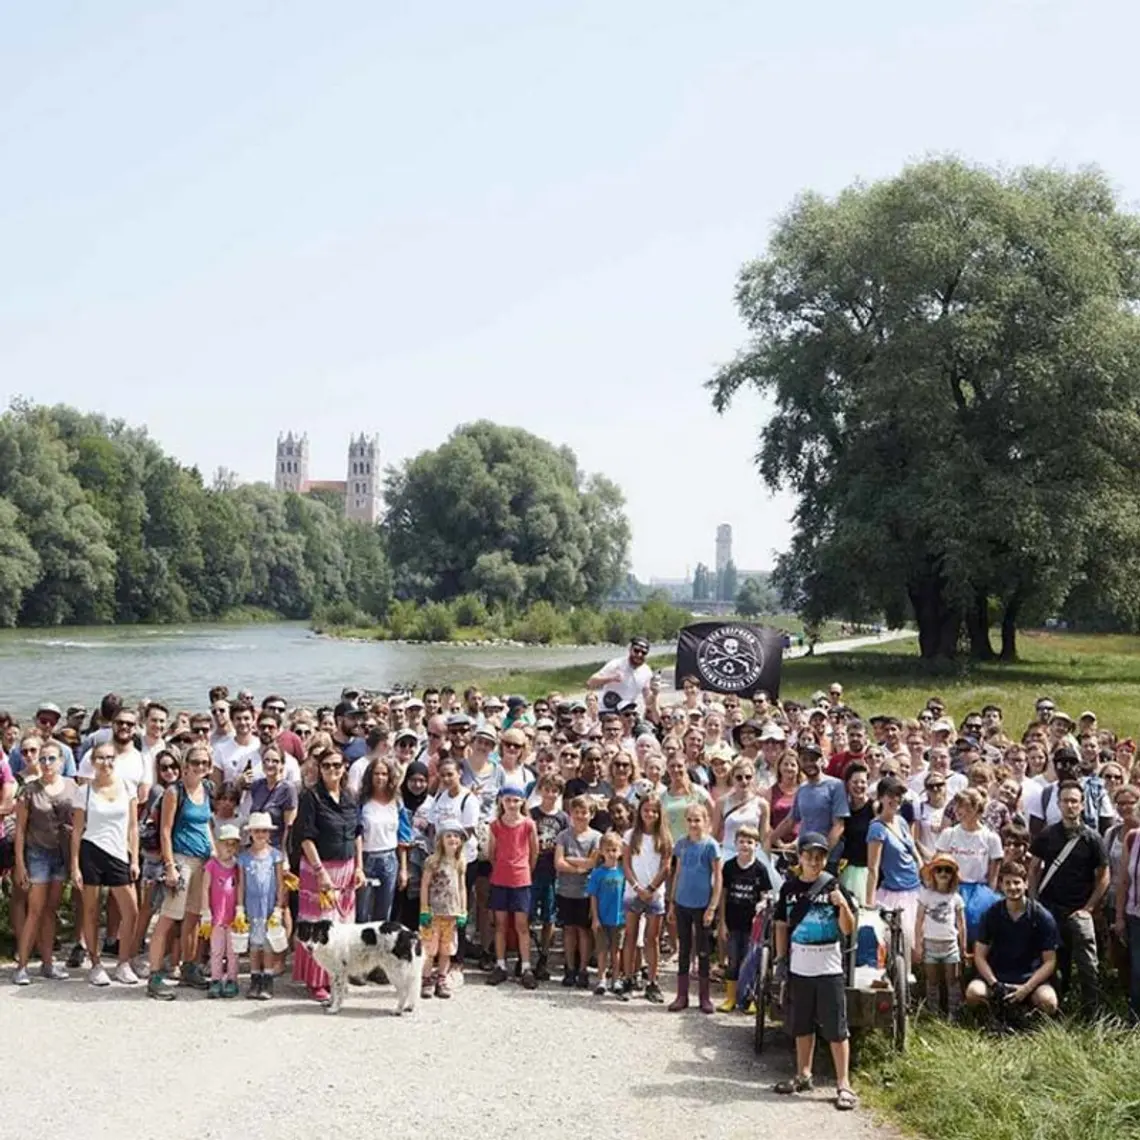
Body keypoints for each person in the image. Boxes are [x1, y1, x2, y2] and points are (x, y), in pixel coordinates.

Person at [773, 831, 858, 1111]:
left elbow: (848, 929)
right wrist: (781, 960)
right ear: (800, 857)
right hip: (800, 966)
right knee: (802, 1024)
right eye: (809, 855)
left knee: (836, 1027)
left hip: (829, 966)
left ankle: (843, 1084)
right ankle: (803, 1074)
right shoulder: (788, 889)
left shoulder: (834, 885)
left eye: (819, 856)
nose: (814, 860)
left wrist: (842, 904)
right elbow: (782, 926)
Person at [1029, 779, 1109, 1015]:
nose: (1070, 805)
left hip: (1080, 910)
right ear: (1058, 804)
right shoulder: (1047, 835)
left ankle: (1091, 1014)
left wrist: (1090, 907)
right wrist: (1034, 902)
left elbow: (1103, 876)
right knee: (1054, 963)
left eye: (1074, 801)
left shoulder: (1092, 838)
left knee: (1088, 966)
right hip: (1051, 909)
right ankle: (1055, 1011)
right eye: (1065, 801)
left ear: (1082, 805)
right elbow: (1033, 868)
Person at [293, 746, 364, 1003]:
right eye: (327, 766)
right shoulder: (311, 797)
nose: (333, 770)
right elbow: (305, 838)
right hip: (318, 868)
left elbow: (357, 833)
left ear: (344, 766)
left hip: (346, 868)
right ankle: (316, 980)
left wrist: (359, 866)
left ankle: (338, 975)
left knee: (342, 927)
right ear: (319, 769)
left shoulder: (349, 796)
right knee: (320, 924)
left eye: (337, 765)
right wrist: (320, 871)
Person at [146, 741, 215, 998]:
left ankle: (189, 966)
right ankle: (154, 976)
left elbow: (206, 823)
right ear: (185, 765)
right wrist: (170, 866)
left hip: (202, 861)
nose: (200, 767)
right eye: (195, 762)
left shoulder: (207, 789)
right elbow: (165, 830)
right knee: (168, 919)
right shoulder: (175, 792)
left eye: (204, 763)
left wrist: (214, 851)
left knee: (194, 916)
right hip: (181, 860)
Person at [70, 742, 140, 987]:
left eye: (110, 758)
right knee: (90, 911)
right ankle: (96, 963)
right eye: (100, 758)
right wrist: (75, 865)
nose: (106, 763)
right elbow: (77, 830)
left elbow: (133, 827)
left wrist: (135, 858)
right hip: (92, 852)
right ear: (92, 761)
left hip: (120, 854)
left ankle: (123, 963)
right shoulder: (84, 791)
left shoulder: (127, 787)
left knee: (131, 911)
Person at [11, 740, 76, 985]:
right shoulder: (29, 790)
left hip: (61, 854)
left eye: (51, 758)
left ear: (61, 761)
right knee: (35, 911)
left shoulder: (71, 786)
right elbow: (19, 830)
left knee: (51, 910)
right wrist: (19, 863)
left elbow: (78, 822)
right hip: (37, 854)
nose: (47, 764)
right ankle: (22, 966)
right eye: (43, 759)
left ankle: (48, 964)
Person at [966, 861, 1059, 1019]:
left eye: (1017, 882)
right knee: (974, 993)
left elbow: (1050, 961)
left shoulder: (1042, 916)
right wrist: (995, 984)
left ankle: (1028, 1021)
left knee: (1048, 1002)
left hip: (1030, 979)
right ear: (1001, 886)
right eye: (1007, 883)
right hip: (997, 977)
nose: (1012, 887)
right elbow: (979, 956)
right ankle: (990, 1017)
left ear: (1026, 884)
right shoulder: (991, 914)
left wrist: (1026, 988)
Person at [668, 802, 722, 1014]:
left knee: (703, 950)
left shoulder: (711, 845)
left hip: (702, 904)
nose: (693, 824)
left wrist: (713, 906)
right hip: (682, 903)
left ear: (706, 821)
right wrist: (672, 903)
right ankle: (681, 995)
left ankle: (704, 997)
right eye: (690, 820)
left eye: (697, 820)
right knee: (684, 949)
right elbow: (678, 873)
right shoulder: (681, 844)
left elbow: (717, 877)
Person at [717, 824, 774, 1012]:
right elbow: (723, 895)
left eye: (749, 842)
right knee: (733, 960)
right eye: (741, 841)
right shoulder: (729, 866)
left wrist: (762, 905)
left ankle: (749, 998)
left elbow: (766, 895)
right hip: (732, 923)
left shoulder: (760, 869)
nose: (745, 845)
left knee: (750, 961)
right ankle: (731, 997)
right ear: (735, 843)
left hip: (753, 926)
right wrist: (722, 922)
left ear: (756, 845)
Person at [485, 787, 539, 988]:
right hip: (500, 878)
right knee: (500, 924)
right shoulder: (495, 826)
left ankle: (526, 966)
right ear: (501, 802)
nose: (512, 804)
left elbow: (534, 852)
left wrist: (524, 870)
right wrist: (500, 867)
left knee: (521, 925)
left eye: (516, 800)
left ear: (522, 802)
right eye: (508, 800)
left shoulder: (528, 825)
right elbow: (491, 853)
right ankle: (500, 965)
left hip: (521, 879)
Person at [936, 787, 1003, 942]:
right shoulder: (949, 834)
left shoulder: (991, 838)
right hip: (952, 888)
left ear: (975, 808)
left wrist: (988, 895)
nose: (957, 810)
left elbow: (993, 874)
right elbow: (938, 863)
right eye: (956, 806)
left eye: (963, 806)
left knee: (978, 930)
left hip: (979, 892)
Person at [622, 793, 671, 1003]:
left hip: (655, 893)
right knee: (630, 935)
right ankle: (628, 979)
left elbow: (666, 867)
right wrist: (636, 886)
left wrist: (651, 888)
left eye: (654, 811)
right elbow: (625, 864)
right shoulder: (630, 835)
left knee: (652, 938)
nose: (649, 814)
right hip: (633, 892)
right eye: (645, 810)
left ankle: (652, 980)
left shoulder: (665, 837)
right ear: (639, 812)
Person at [865, 776, 922, 956]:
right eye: (891, 794)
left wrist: (922, 868)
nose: (896, 799)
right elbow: (873, 868)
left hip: (915, 889)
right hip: (895, 893)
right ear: (881, 797)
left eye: (899, 795)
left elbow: (913, 849)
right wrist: (869, 901)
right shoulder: (876, 828)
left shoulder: (902, 821)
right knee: (900, 943)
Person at [554, 794, 602, 988]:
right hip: (565, 890)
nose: (580, 816)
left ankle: (583, 969)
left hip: (586, 892)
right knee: (568, 930)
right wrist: (578, 868)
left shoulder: (596, 837)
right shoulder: (564, 835)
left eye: (585, 812)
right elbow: (558, 862)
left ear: (591, 814)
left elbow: (593, 862)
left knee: (584, 931)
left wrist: (569, 859)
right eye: (576, 812)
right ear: (570, 813)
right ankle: (570, 968)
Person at [356, 756, 408, 924]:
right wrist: (359, 867)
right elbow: (356, 834)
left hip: (389, 859)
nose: (380, 778)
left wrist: (403, 869)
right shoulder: (362, 802)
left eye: (384, 774)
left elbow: (403, 837)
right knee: (362, 913)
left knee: (384, 915)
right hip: (366, 858)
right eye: (376, 773)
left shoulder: (397, 802)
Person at [239, 811, 285, 999]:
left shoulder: (275, 855)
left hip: (269, 907)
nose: (260, 834)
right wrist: (239, 908)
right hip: (251, 907)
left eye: (264, 831)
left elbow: (281, 884)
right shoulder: (244, 857)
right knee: (254, 945)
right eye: (257, 831)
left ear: (269, 833)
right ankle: (254, 978)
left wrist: (278, 908)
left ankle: (267, 979)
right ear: (250, 833)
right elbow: (241, 884)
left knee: (268, 944)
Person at [914, 854, 967, 1019]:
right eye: (939, 870)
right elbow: (919, 921)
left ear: (953, 875)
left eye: (948, 870)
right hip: (930, 944)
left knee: (952, 981)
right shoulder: (926, 895)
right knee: (932, 981)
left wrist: (963, 947)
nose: (943, 873)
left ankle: (954, 1013)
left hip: (950, 945)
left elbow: (961, 924)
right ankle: (933, 1013)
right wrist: (918, 944)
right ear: (933, 873)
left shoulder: (956, 898)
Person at [771, 743, 849, 854]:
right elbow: (790, 821)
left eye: (813, 760)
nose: (809, 764)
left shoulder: (836, 785)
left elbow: (839, 826)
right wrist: (767, 842)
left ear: (821, 761)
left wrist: (823, 853)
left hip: (828, 856)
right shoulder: (802, 788)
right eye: (805, 760)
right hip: (805, 853)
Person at [420, 822, 468, 999]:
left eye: (456, 836)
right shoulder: (432, 861)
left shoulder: (460, 862)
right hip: (433, 912)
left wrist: (463, 911)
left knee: (447, 949)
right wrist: (424, 909)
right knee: (429, 948)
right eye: (448, 835)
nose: (453, 839)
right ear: (440, 840)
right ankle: (426, 979)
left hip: (452, 913)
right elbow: (425, 885)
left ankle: (442, 977)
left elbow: (462, 888)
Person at [530, 774, 568, 981]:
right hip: (532, 869)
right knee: (526, 915)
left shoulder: (563, 818)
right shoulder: (531, 814)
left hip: (552, 871)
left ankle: (543, 956)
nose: (550, 794)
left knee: (549, 916)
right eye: (547, 789)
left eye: (555, 790)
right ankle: (524, 956)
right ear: (540, 790)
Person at [202, 823, 242, 998]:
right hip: (216, 915)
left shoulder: (237, 866)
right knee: (216, 950)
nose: (229, 848)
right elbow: (205, 888)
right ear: (217, 844)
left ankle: (232, 979)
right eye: (226, 844)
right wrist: (205, 911)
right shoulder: (212, 865)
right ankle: (216, 979)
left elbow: (240, 887)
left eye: (233, 844)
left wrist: (240, 908)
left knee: (233, 950)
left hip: (233, 915)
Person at [587, 831, 628, 998]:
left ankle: (616, 979)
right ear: (602, 852)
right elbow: (593, 896)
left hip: (619, 917)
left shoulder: (623, 873)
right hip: (602, 918)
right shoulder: (597, 873)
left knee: (616, 950)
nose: (612, 853)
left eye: (615, 850)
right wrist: (595, 917)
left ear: (620, 852)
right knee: (602, 950)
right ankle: (601, 979)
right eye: (608, 850)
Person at [586, 635, 653, 712]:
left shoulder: (647, 672)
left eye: (643, 653)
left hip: (627, 713)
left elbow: (648, 701)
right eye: (636, 650)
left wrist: (654, 693)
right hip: (608, 711)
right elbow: (590, 683)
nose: (639, 655)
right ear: (630, 649)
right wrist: (611, 678)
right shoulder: (616, 664)